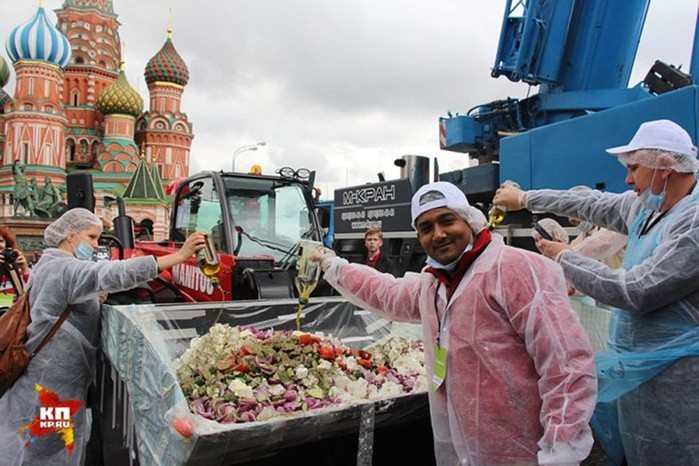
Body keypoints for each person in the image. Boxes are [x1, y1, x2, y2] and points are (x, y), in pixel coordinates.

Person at [312, 181, 597, 465]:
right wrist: (334, 266)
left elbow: (566, 364)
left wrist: (561, 448)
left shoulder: (517, 270)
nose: (438, 234)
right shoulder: (435, 285)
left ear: (470, 220)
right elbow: (388, 293)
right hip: (466, 451)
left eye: (447, 220)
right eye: (426, 228)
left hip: (525, 452)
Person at [493, 119, 699, 464]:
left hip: (677, 382)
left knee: (673, 451)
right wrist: (526, 198)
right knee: (639, 449)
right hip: (640, 373)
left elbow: (637, 290)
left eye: (634, 168)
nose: (628, 179)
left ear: (665, 167)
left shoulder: (692, 224)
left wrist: (565, 256)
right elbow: (590, 203)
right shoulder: (646, 210)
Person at [0, 208, 207, 465]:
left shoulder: (49, 263)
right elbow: (112, 274)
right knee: (45, 447)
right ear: (70, 235)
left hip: (52, 381)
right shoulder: (64, 267)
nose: (96, 245)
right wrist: (179, 256)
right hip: (52, 385)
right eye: (92, 237)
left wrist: (93, 298)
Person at [0, 225, 31, 305]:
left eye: (1, 241)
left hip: (11, 314)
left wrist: (24, 269)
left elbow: (32, 293)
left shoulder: (12, 267)